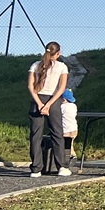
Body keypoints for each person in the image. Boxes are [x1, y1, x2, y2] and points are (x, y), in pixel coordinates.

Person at [27, 41, 71, 179]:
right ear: (58, 53)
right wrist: (48, 105)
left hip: (37, 101)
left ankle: (36, 169)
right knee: (57, 134)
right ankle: (62, 167)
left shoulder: (35, 65)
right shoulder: (62, 66)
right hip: (54, 101)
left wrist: (40, 104)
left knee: (36, 135)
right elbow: (61, 88)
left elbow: (30, 86)